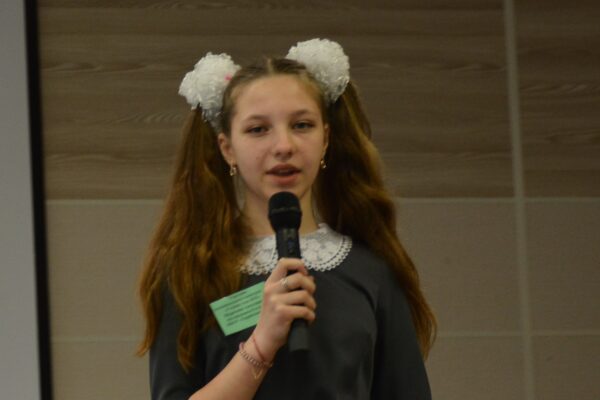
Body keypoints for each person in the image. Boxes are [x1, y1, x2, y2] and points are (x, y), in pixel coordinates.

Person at [137, 38, 436, 400]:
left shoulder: (372, 272)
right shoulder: (189, 271)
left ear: (326, 138)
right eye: (258, 129)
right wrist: (261, 344)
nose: (283, 146)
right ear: (227, 148)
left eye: (302, 125)